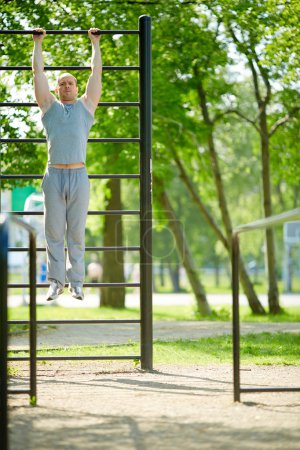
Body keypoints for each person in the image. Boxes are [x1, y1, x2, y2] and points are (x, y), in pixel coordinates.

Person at [32, 27, 102, 301]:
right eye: (62, 83)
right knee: (53, 233)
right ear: (57, 89)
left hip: (78, 176)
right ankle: (55, 282)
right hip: (54, 176)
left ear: (76, 87)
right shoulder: (48, 106)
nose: (67, 86)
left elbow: (96, 75)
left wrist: (94, 44)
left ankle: (76, 283)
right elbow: (38, 74)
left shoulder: (87, 106)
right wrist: (38, 44)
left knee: (76, 232)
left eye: (71, 82)